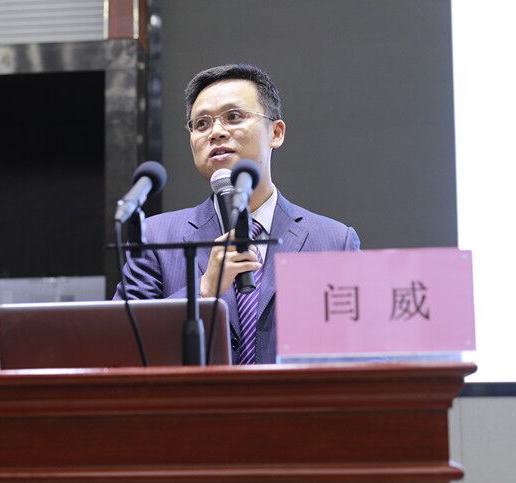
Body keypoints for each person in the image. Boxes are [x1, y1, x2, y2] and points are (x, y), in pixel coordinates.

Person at [114, 64, 360, 364]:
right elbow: (121, 346)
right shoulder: (154, 238)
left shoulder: (334, 241)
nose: (216, 132)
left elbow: (361, 352)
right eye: (201, 124)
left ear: (276, 133)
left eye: (233, 117)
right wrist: (203, 291)